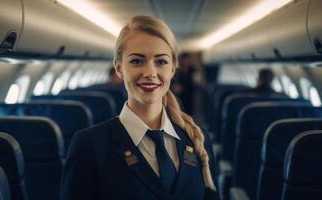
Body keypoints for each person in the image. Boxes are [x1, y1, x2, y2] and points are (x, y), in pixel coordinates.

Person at [61, 15, 219, 200]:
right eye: (137, 61)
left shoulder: (197, 139)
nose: (150, 72)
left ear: (173, 68)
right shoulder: (89, 145)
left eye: (161, 62)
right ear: (119, 68)